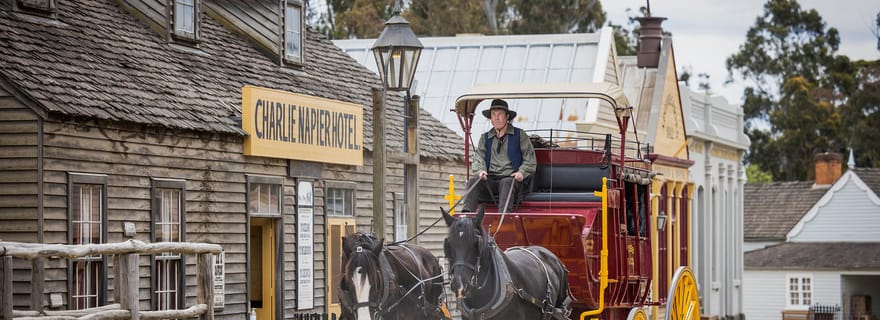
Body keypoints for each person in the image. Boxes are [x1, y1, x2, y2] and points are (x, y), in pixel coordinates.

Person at [462, 99, 536, 213]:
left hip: (512, 179)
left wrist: (522, 172)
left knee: (506, 182)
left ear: (507, 117)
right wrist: (481, 171)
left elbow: (530, 160)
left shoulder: (520, 135)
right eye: (493, 115)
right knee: (473, 181)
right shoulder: (485, 138)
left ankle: (504, 218)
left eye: (500, 114)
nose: (496, 118)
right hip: (490, 179)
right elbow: (478, 158)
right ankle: (466, 217)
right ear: (490, 118)